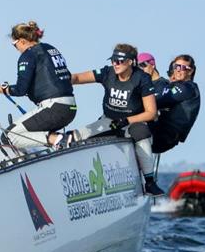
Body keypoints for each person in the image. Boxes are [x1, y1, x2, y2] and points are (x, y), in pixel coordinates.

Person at [69, 43, 163, 196]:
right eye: (113, 60)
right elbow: (77, 78)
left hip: (133, 121)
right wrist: (60, 78)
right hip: (109, 120)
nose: (115, 64)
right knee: (76, 137)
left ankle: (150, 182)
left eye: (119, 61)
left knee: (141, 132)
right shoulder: (107, 72)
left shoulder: (142, 78)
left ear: (131, 62)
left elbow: (151, 113)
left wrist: (127, 120)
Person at [0, 21, 76, 149]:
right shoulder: (51, 49)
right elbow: (67, 76)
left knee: (8, 136)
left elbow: (20, 90)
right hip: (70, 108)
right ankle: (59, 142)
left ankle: (58, 139)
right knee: (29, 137)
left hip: (53, 108)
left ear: (22, 41)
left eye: (14, 44)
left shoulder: (27, 56)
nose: (15, 48)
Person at [146, 54, 201, 153]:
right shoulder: (177, 85)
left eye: (183, 67)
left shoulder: (188, 88)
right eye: (176, 67)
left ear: (190, 71)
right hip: (158, 130)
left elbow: (160, 99)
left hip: (164, 137)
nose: (178, 70)